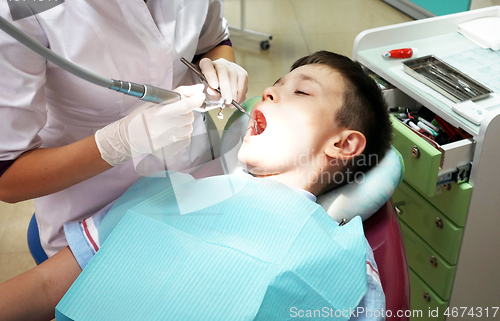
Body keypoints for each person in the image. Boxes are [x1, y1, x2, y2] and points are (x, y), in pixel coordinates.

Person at [0, 51, 393, 320]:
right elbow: (43, 288)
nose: (270, 90)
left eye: (301, 91)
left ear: (343, 144)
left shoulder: (344, 264)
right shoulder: (162, 196)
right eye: (276, 82)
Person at [0, 0, 248, 257]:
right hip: (93, 207)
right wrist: (118, 143)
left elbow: (213, 40)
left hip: (193, 177)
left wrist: (220, 65)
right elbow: (8, 179)